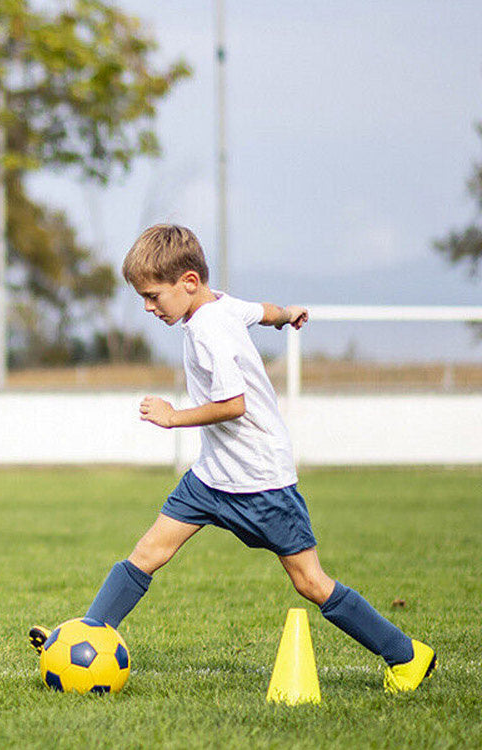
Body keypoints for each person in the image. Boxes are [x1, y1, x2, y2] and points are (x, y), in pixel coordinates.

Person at [28, 224, 435, 692]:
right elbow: (260, 311)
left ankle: (407, 655)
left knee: (311, 582)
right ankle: (87, 633)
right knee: (148, 553)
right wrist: (287, 315)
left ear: (188, 282)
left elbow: (233, 404)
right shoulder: (218, 303)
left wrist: (173, 417)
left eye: (153, 296)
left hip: (261, 482)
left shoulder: (210, 330)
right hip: (211, 478)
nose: (148, 307)